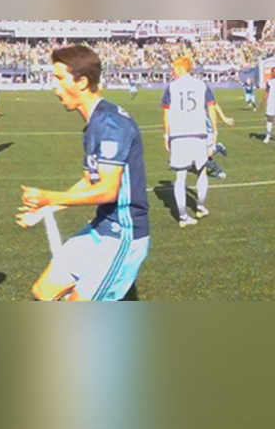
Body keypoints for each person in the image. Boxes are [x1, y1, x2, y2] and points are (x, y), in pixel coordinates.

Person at [17, 45, 150, 302]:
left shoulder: (111, 124)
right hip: (101, 228)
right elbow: (90, 181)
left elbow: (107, 191)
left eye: (59, 78)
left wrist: (50, 197)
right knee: (43, 291)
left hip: (123, 235)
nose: (54, 86)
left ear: (82, 82)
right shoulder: (95, 123)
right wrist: (44, 210)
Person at [163, 57, 218, 227]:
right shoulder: (201, 85)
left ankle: (182, 216)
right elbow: (211, 108)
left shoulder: (171, 87)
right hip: (198, 133)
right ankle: (200, 207)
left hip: (178, 134)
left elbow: (166, 112)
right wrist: (215, 131)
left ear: (181, 68)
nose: (172, 71)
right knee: (201, 171)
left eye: (174, 68)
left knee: (180, 176)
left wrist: (166, 135)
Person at [207, 103, 235, 180]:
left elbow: (213, 104)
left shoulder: (205, 95)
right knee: (199, 155)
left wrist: (224, 118)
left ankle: (219, 171)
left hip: (206, 128)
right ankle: (219, 171)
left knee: (203, 155)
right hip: (194, 127)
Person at [262, 69, 275, 144]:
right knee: (270, 119)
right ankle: (268, 136)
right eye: (272, 72)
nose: (273, 73)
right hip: (271, 103)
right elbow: (267, 92)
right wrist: (263, 101)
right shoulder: (269, 81)